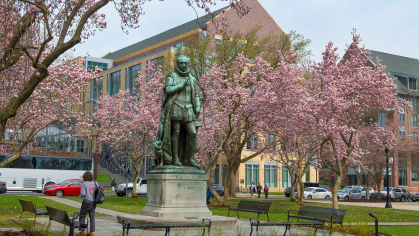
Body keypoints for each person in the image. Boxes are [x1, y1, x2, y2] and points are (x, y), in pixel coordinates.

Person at [77, 171, 97, 236]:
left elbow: (83, 194)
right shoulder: (95, 182)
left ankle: (82, 231)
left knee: (82, 215)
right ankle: (91, 232)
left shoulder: (84, 184)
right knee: (92, 217)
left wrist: (79, 195)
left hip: (87, 202)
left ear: (84, 177)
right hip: (94, 202)